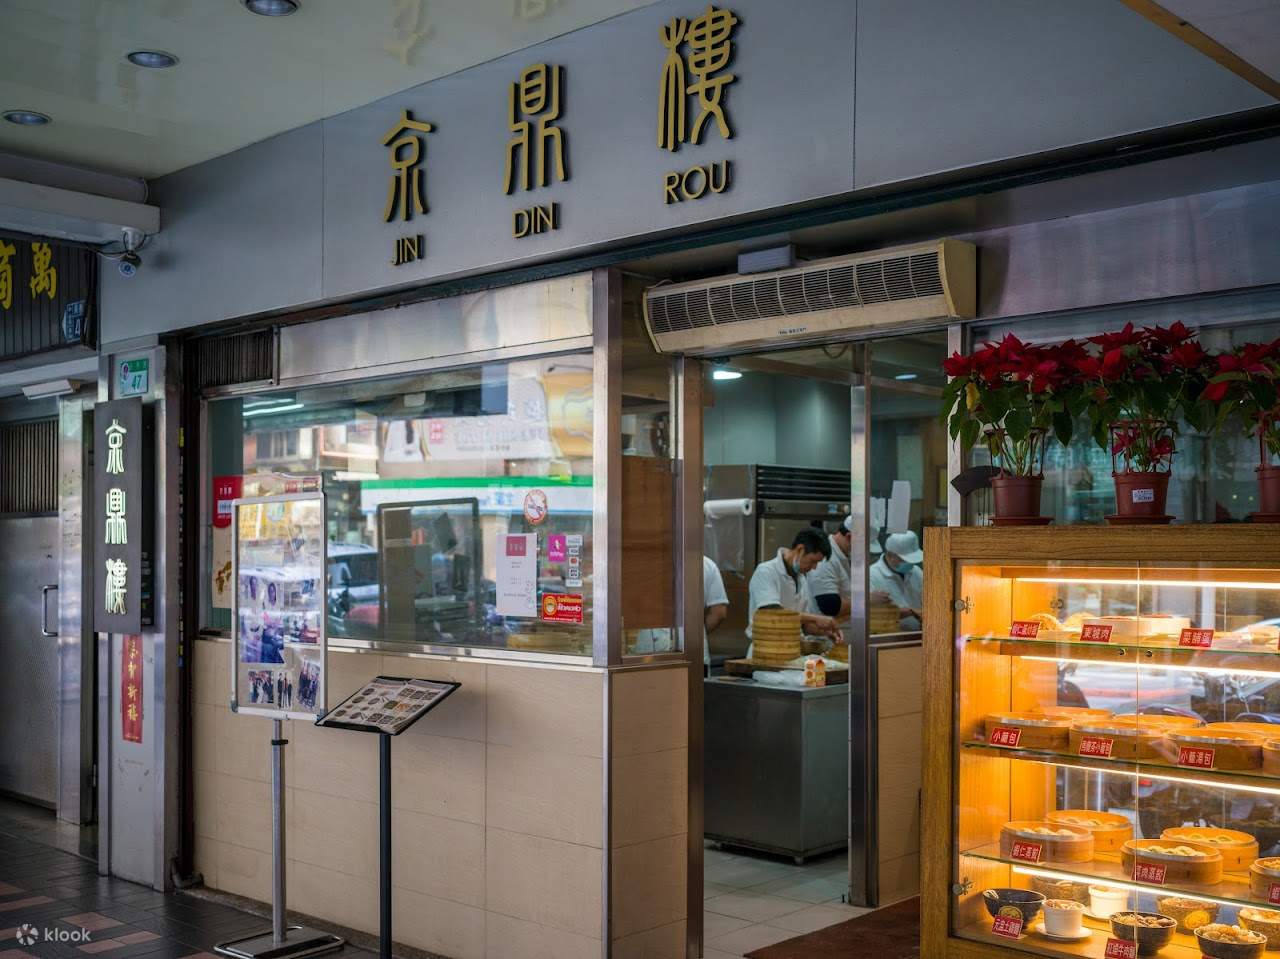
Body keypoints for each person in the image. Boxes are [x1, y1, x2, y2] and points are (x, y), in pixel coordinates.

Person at [747, 528, 840, 656]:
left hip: (793, 651)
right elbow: (773, 613)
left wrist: (824, 631)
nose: (814, 568)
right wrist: (816, 618)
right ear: (800, 549)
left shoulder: (801, 578)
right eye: (813, 561)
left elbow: (803, 625)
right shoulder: (766, 572)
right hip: (766, 651)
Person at [869, 530, 925, 630]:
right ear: (890, 555)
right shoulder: (872, 575)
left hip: (916, 636)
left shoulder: (916, 572)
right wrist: (910, 611)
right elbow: (873, 613)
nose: (910, 564)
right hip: (887, 639)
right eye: (905, 560)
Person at [809, 516, 853, 620]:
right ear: (849, 537)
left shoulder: (843, 554)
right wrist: (865, 602)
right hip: (822, 632)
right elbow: (830, 606)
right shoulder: (827, 558)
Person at [703, 555, 729, 667]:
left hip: (650, 651)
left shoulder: (646, 560)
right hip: (693, 648)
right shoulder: (707, 564)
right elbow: (719, 613)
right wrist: (696, 633)